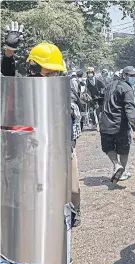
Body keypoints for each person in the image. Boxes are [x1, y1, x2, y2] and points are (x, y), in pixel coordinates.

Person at [1, 22, 82, 227]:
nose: (54, 75)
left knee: (73, 190)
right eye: (49, 71)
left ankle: (72, 217)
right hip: (30, 149)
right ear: (34, 68)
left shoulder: (65, 89)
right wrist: (9, 52)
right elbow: (9, 78)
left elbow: (76, 118)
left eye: (56, 72)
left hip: (62, 147)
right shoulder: (25, 87)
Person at [99, 66, 135, 184]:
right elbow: (130, 108)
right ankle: (120, 169)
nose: (133, 78)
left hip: (105, 122)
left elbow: (101, 99)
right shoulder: (127, 88)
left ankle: (116, 165)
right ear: (124, 75)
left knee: (108, 147)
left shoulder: (109, 85)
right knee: (123, 149)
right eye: (131, 75)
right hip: (120, 125)